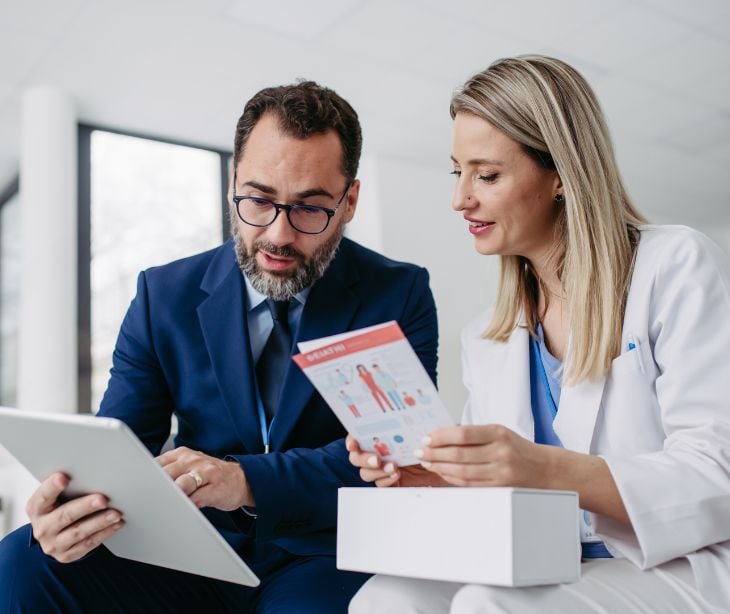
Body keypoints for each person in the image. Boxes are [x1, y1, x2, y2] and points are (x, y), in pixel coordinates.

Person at [0, 81, 439, 613]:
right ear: (233, 182)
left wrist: (244, 480)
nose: (278, 234)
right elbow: (121, 447)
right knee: (22, 561)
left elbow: (393, 456)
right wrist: (70, 509)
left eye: (310, 209)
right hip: (190, 547)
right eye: (258, 199)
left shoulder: (397, 293)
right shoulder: (163, 295)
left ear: (349, 202)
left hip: (325, 550)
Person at [347, 55, 730, 613]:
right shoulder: (489, 336)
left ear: (559, 175)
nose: (461, 198)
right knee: (383, 600)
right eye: (459, 172)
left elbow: (716, 470)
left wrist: (542, 467)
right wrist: (435, 478)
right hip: (544, 558)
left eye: (488, 174)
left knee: (487, 605)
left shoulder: (673, 265)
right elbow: (500, 501)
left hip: (676, 564)